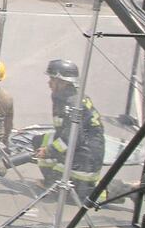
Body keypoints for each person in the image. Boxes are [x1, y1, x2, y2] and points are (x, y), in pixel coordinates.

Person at [35, 59, 105, 200]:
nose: (49, 83)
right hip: (77, 148)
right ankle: (52, 182)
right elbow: (63, 130)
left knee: (82, 196)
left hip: (87, 155)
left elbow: (74, 136)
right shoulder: (62, 96)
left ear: (64, 82)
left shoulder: (71, 102)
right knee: (39, 141)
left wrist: (49, 151)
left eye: (52, 79)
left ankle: (126, 189)